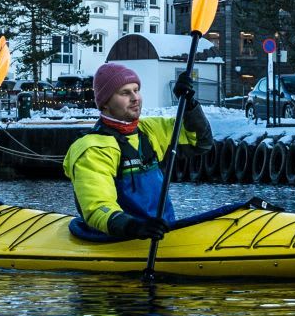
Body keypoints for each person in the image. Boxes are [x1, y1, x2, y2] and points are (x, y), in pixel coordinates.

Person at [63, 62, 212, 240]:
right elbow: (97, 207)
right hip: (119, 238)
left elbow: (201, 142)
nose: (135, 98)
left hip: (162, 232)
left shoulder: (151, 130)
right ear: (105, 104)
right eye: (125, 93)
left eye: (136, 90)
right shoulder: (92, 148)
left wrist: (188, 104)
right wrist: (134, 227)